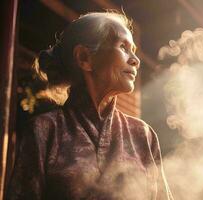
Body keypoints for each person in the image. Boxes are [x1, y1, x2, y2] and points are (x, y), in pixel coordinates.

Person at [7, 11, 174, 200]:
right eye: (123, 47)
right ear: (84, 58)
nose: (136, 60)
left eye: (133, 50)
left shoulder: (142, 134)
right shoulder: (45, 130)